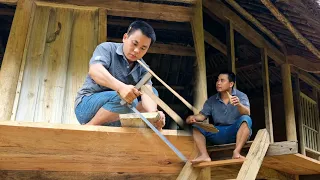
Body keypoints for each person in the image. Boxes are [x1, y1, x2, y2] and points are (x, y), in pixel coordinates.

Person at [74, 20, 165, 129]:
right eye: (134, 43)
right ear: (125, 37)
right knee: (126, 98)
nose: (137, 51)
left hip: (117, 114)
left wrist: (155, 115)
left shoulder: (144, 68)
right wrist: (121, 88)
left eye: (143, 48)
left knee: (152, 93)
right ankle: (90, 126)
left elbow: (148, 94)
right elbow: (95, 70)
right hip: (86, 108)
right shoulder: (106, 48)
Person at [186, 71, 252, 163]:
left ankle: (236, 152)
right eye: (217, 80)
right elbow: (202, 116)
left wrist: (239, 104)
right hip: (218, 133)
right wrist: (192, 118)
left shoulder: (241, 96)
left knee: (246, 119)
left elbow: (247, 112)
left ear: (231, 84)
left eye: (222, 80)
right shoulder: (212, 100)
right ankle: (204, 155)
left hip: (235, 131)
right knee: (197, 127)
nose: (218, 83)